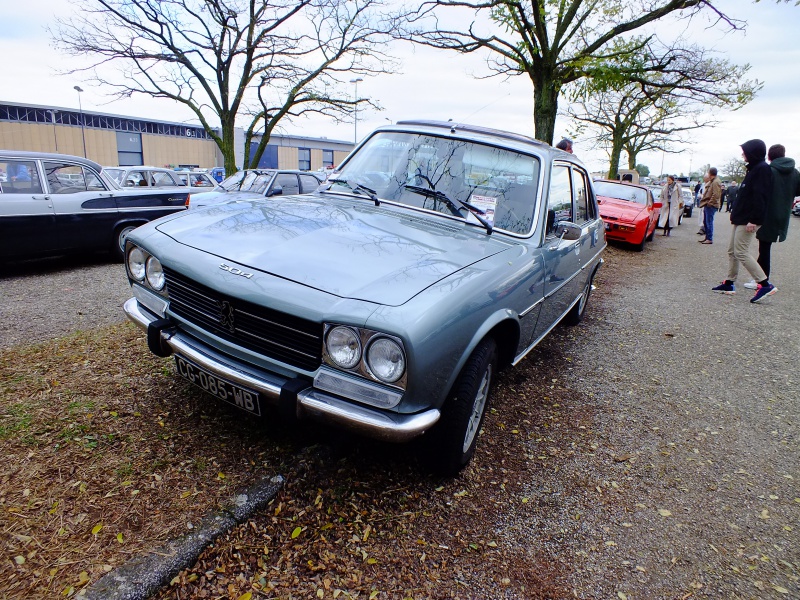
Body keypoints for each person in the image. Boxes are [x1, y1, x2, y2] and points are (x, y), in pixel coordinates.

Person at [711, 139, 776, 303]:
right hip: (741, 218)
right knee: (732, 251)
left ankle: (764, 283)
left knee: (741, 251)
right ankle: (729, 282)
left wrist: (754, 219)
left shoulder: (762, 170)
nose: (742, 154)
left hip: (749, 219)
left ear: (753, 152)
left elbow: (761, 197)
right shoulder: (754, 169)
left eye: (745, 151)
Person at [742, 144, 800, 289]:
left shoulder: (769, 170)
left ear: (769, 156)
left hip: (767, 213)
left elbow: (761, 192)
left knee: (764, 248)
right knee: (766, 247)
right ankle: (761, 278)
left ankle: (761, 280)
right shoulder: (795, 172)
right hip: (784, 214)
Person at [698, 167, 722, 244]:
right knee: (706, 221)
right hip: (708, 204)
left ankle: (709, 238)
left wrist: (710, 203)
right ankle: (707, 237)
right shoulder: (713, 181)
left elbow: (716, 194)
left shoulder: (715, 182)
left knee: (709, 222)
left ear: (710, 173)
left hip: (711, 205)